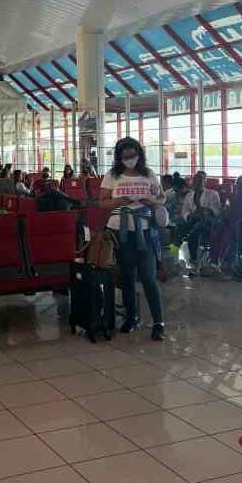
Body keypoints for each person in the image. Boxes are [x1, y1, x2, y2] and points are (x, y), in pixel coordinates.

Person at [99, 137, 165, 340]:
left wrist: (150, 200)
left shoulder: (149, 174)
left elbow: (161, 199)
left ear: (139, 154)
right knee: (127, 276)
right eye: (125, 156)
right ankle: (132, 317)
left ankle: (158, 322)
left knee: (148, 277)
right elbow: (102, 203)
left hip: (144, 230)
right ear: (119, 157)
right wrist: (119, 200)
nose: (130, 159)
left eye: (133, 155)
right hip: (120, 230)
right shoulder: (112, 176)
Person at [180, 171, 221, 267]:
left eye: (200, 181)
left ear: (204, 182)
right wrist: (189, 216)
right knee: (180, 227)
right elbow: (185, 210)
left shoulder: (212, 194)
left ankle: (193, 258)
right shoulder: (189, 195)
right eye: (195, 181)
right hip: (192, 220)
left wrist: (205, 211)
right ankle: (175, 255)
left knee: (195, 229)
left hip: (208, 221)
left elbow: (216, 211)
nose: (197, 183)